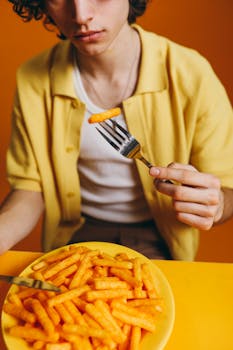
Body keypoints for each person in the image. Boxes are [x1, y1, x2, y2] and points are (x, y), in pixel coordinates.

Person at [1, 0, 233, 260]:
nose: (81, 15)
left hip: (159, 236)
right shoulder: (33, 78)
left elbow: (228, 188)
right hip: (75, 233)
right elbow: (30, 187)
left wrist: (217, 203)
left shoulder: (192, 74)